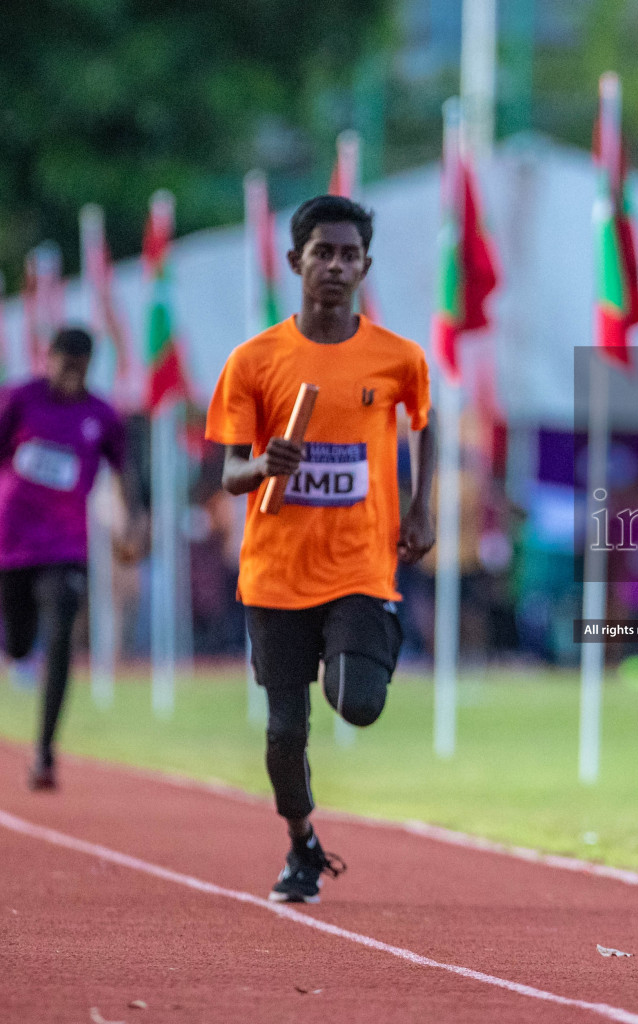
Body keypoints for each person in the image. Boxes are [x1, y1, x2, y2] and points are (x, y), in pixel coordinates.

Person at [205, 195, 434, 903]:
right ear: (294, 261)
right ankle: (302, 844)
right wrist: (264, 465)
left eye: (348, 255)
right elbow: (229, 473)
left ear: (365, 265)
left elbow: (429, 419)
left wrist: (421, 504)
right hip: (276, 572)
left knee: (359, 704)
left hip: (362, 564)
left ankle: (372, 641)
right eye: (322, 253)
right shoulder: (255, 360)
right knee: (283, 730)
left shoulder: (397, 358)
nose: (335, 266)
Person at [0, 327, 140, 790]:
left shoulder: (100, 415)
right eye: (65, 366)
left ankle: (45, 751)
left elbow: (125, 470)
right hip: (10, 541)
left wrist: (131, 523)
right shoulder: (18, 400)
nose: (73, 377)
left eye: (82, 368)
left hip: (66, 546)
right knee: (19, 641)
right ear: (48, 358)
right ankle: (14, 650)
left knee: (60, 639)